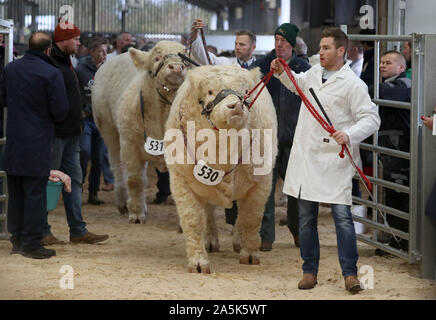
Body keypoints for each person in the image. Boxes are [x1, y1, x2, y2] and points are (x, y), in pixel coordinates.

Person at [271, 27, 380, 293]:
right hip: (308, 157)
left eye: (326, 48)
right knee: (306, 218)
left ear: (341, 51)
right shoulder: (313, 72)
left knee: (342, 217)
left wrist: (349, 133)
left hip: (335, 160)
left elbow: (371, 118)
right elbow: (298, 85)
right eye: (319, 47)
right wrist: (282, 72)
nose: (320, 52)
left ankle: (350, 274)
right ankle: (309, 271)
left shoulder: (353, 84)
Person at [230, 23, 311, 252]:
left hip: (296, 137)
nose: (279, 44)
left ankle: (297, 230)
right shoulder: (260, 66)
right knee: (263, 189)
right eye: (276, 39)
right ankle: (265, 235)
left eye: (284, 41)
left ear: (293, 43)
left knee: (298, 189)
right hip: (266, 138)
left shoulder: (304, 68)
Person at [0, 32, 69, 258]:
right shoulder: (51, 73)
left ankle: (17, 240)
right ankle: (31, 243)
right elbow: (60, 111)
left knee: (17, 191)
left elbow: (3, 99)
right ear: (48, 50)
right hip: (38, 141)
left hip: (14, 139)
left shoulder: (11, 69)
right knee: (35, 193)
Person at [42, 20, 109, 245]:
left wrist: (79, 111)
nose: (79, 43)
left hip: (72, 133)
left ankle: (78, 230)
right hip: (56, 134)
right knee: (49, 182)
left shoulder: (68, 62)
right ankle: (42, 230)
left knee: (75, 180)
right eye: (76, 39)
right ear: (63, 40)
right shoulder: (51, 62)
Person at [370, 50, 411, 254]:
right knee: (391, 190)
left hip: (400, 148)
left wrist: (360, 88)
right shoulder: (389, 84)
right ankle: (395, 238)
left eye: (388, 62)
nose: (382, 65)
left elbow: (381, 93)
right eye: (381, 62)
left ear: (401, 68)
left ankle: (401, 241)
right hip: (390, 147)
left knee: (398, 193)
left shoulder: (403, 84)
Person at [76, 37, 108, 205]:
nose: (104, 54)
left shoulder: (109, 70)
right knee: (84, 151)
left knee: (99, 157)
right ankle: (77, 189)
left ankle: (93, 192)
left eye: (106, 51)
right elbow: (75, 91)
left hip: (102, 120)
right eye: (101, 51)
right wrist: (81, 109)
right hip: (86, 119)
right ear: (92, 52)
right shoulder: (81, 69)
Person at [190, 19, 257, 68]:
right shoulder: (226, 64)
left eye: (242, 44)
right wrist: (195, 35)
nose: (237, 47)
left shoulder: (261, 67)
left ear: (253, 47)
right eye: (236, 44)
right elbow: (205, 57)